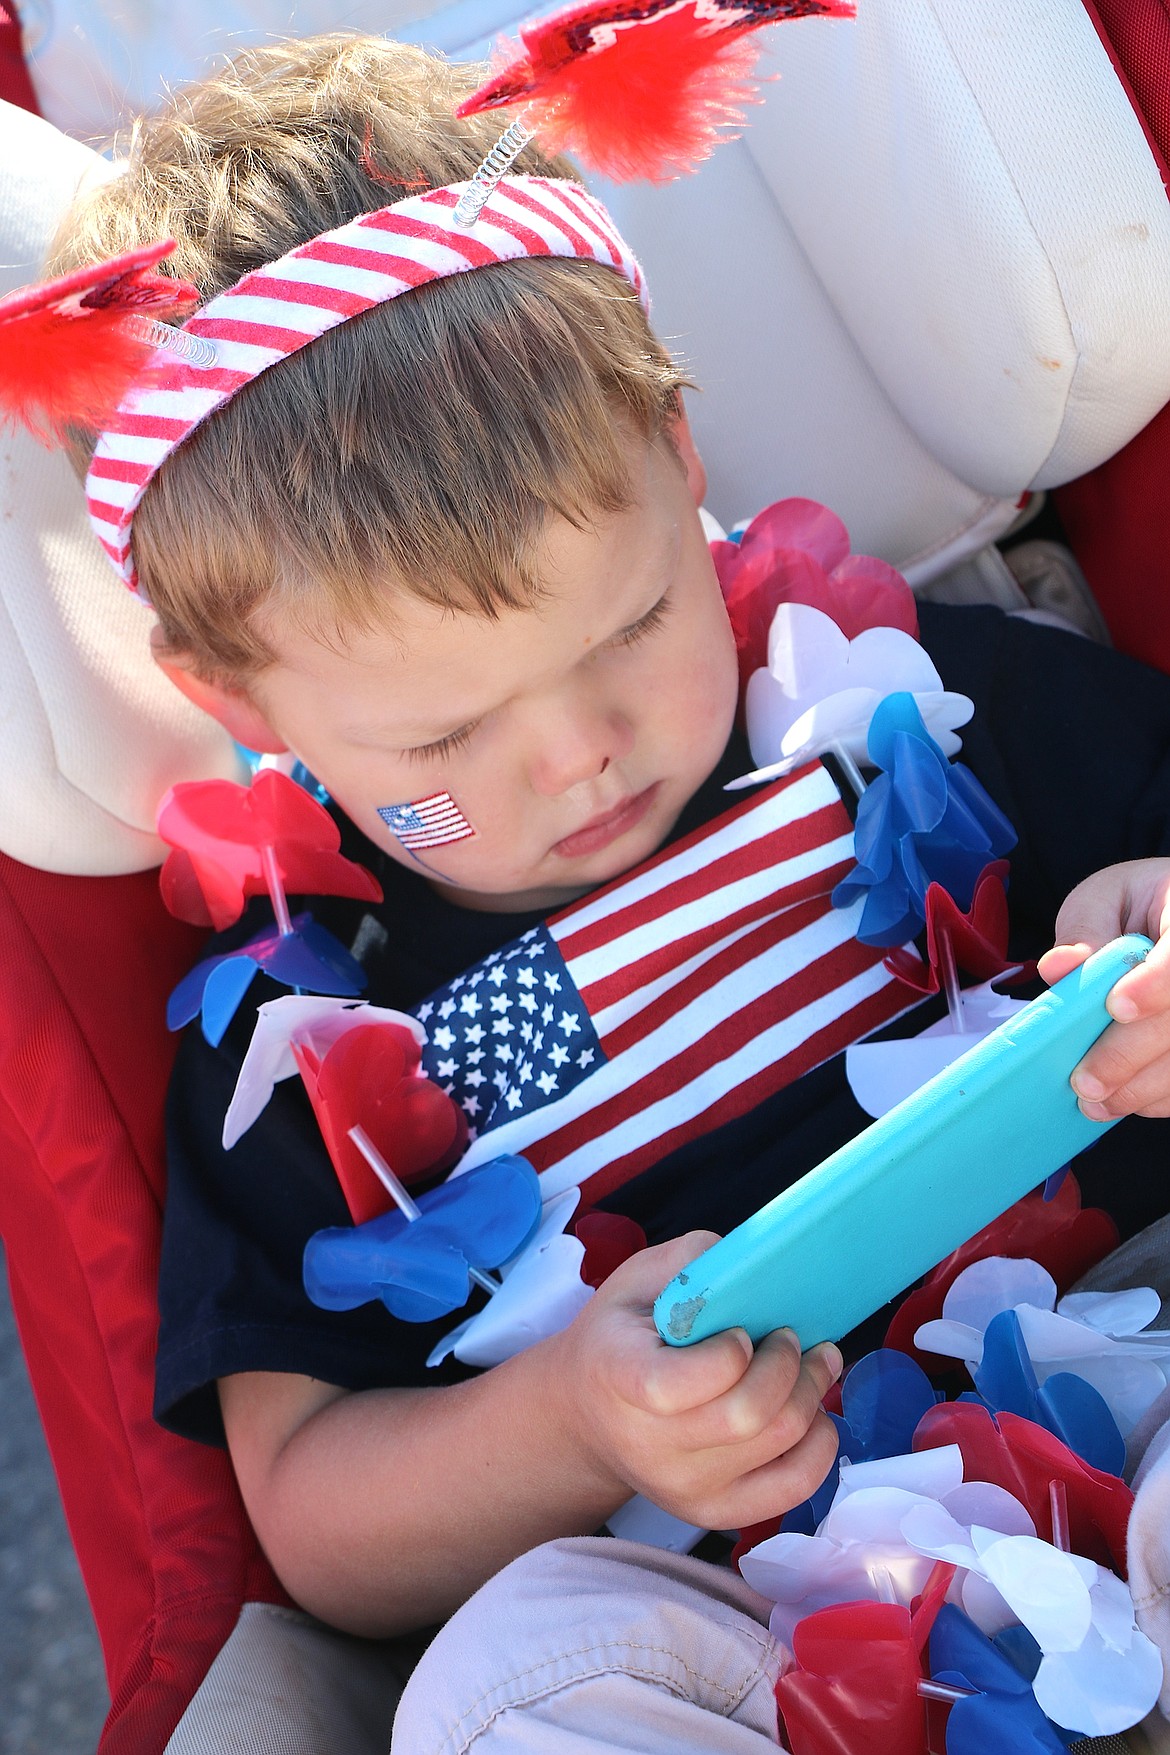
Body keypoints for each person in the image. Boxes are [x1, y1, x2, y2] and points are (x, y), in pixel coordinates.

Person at [47, 30, 1170, 1750]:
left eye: (633, 626)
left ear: (679, 455)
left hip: (1128, 1381)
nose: (576, 752)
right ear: (239, 701)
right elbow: (311, 1516)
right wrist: (571, 1424)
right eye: (446, 729)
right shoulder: (309, 1034)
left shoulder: (921, 705)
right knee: (502, 1690)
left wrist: (1144, 925)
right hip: (726, 1616)